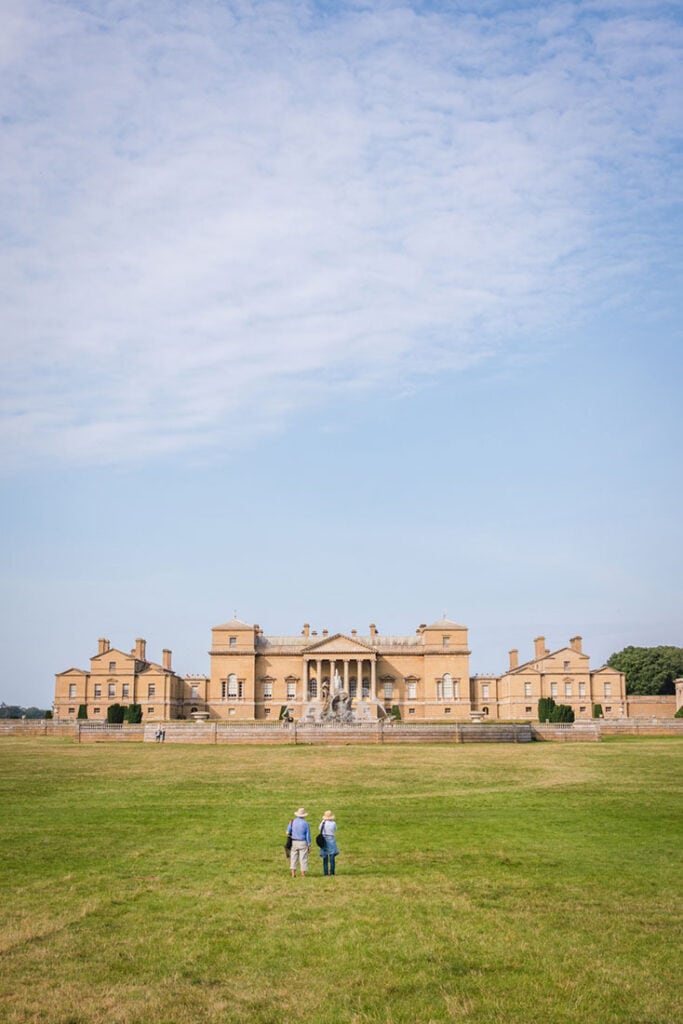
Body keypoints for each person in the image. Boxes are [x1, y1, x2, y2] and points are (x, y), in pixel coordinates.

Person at [287, 807, 311, 878]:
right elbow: (308, 835)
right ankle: (303, 874)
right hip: (303, 842)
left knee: (293, 857)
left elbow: (287, 832)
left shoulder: (292, 822)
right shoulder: (306, 823)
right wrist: (309, 844)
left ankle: (293, 873)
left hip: (294, 841)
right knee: (303, 858)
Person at [318, 810, 339, 876]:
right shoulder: (333, 823)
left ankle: (325, 872)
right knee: (332, 856)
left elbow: (319, 829)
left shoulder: (323, 822)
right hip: (331, 838)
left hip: (324, 839)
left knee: (325, 856)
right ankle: (332, 872)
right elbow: (335, 829)